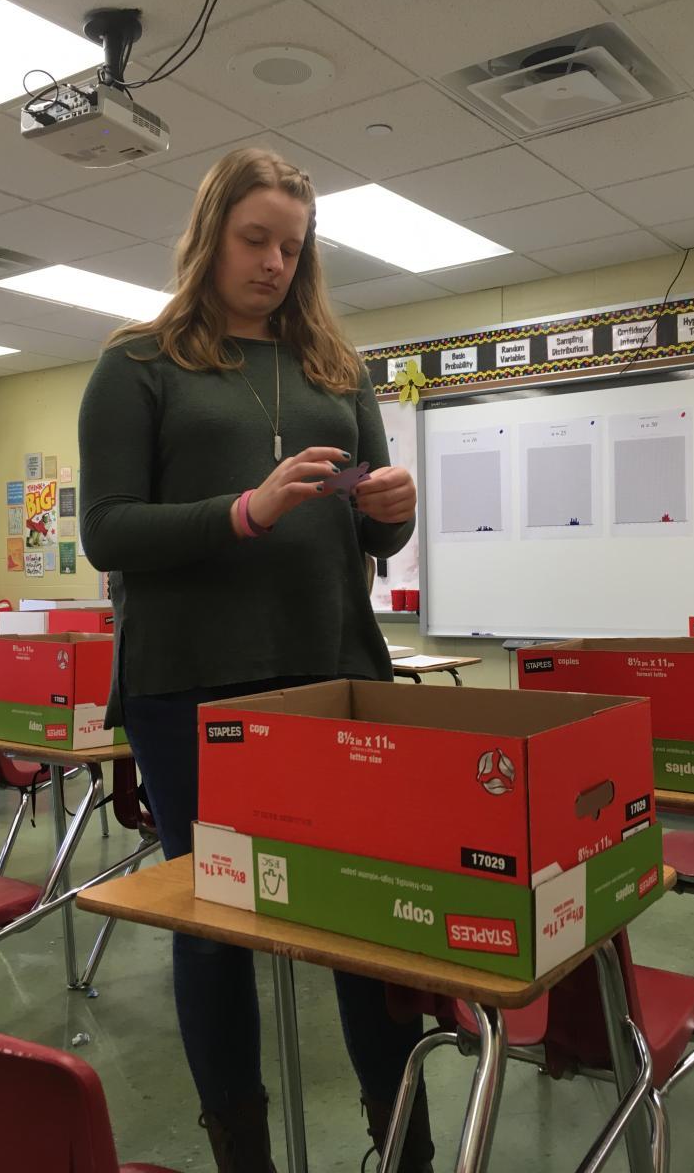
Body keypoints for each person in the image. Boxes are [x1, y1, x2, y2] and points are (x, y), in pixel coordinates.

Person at [78, 149, 430, 1173]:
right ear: (211, 235)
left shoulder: (336, 369)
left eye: (292, 245)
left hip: (330, 671)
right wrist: (244, 509)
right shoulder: (138, 364)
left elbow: (373, 537)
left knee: (369, 912)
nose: (275, 262)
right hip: (191, 685)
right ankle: (243, 1154)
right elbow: (106, 530)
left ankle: (403, 1145)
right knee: (216, 923)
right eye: (255, 239)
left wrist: (394, 512)